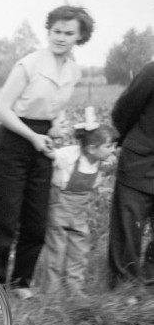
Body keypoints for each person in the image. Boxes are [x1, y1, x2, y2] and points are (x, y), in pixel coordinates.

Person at [0, 6, 94, 299]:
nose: (61, 37)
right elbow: (0, 110)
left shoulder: (73, 71)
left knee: (35, 220)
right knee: (7, 219)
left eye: (68, 33)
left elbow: (54, 111)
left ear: (80, 36)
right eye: (56, 31)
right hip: (14, 140)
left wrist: (55, 127)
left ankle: (21, 282)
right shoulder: (30, 64)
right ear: (48, 31)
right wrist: (33, 136)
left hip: (42, 143)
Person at [38, 115, 116, 296]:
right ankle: (51, 291)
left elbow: (100, 178)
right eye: (108, 146)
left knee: (79, 250)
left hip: (79, 212)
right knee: (55, 249)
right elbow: (52, 154)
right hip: (60, 206)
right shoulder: (69, 155)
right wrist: (49, 141)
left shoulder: (100, 162)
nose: (112, 150)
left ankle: (75, 287)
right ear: (91, 148)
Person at [108, 61, 154, 288]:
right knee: (128, 227)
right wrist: (125, 140)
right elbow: (125, 108)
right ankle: (124, 287)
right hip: (140, 161)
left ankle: (150, 276)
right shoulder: (152, 71)